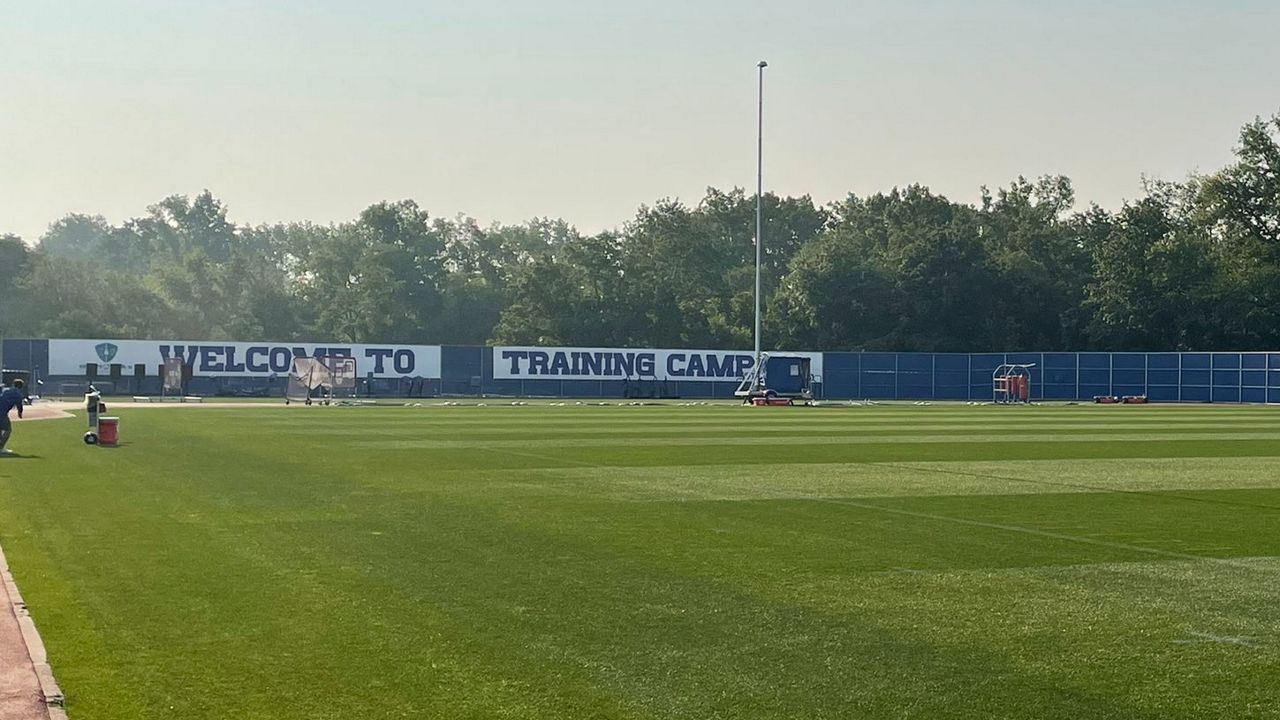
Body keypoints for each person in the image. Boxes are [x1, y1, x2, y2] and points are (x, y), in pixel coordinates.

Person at [0, 378, 25, 455]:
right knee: (8, 430)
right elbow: (19, 406)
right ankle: (1, 448)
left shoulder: (5, 390)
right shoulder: (18, 395)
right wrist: (20, 414)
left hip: (2, 412)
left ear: (13, 384)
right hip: (2, 413)